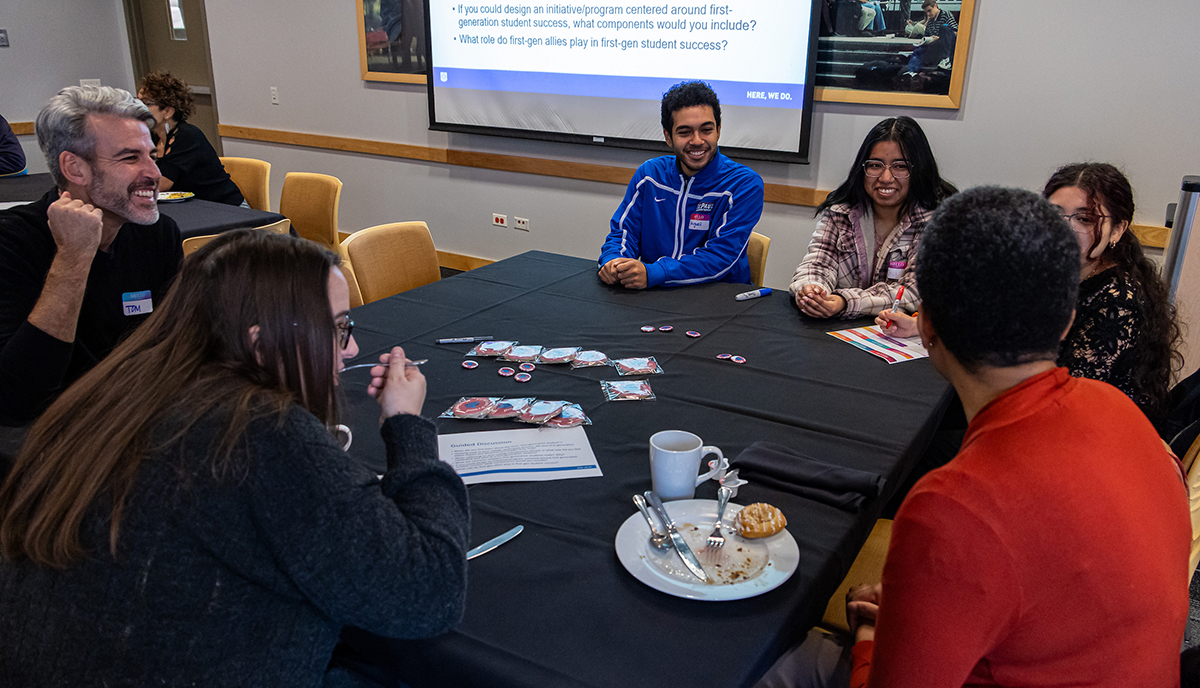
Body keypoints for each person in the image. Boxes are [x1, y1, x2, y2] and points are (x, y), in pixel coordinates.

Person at [756, 187, 1191, 688]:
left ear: (928, 328)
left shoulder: (953, 508)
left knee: (764, 660)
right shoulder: (1124, 412)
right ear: (1067, 319)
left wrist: (872, 634)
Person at [0, 229, 470, 686]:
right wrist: (407, 426)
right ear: (259, 341)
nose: (350, 348)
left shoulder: (111, 392)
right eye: (339, 328)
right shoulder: (256, 435)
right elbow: (428, 594)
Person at [0, 86, 183, 426]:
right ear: (74, 168)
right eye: (130, 158)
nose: (154, 174)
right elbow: (15, 400)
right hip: (48, 437)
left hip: (137, 420)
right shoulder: (12, 242)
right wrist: (73, 256)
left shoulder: (157, 234)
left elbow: (173, 349)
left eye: (152, 157)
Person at [1044, 162, 1183, 429]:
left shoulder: (1119, 302)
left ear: (1118, 229)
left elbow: (1064, 404)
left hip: (1089, 442)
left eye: (1084, 219)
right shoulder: (1064, 275)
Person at [598, 81, 764, 289]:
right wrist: (614, 262)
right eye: (685, 132)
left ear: (718, 131)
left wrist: (655, 272)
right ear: (668, 136)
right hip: (655, 293)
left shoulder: (744, 184)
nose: (697, 141)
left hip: (717, 300)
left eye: (706, 130)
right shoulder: (649, 175)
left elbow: (720, 258)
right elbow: (623, 233)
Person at [791, 116, 955, 319]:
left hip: (904, 338)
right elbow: (816, 265)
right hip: (839, 333)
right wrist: (812, 292)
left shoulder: (938, 222)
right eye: (875, 165)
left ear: (919, 170)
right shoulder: (841, 212)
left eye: (900, 166)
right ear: (863, 169)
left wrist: (845, 301)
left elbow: (914, 293)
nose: (886, 178)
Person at [137, 70, 245, 206]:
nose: (137, 108)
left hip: (227, 208)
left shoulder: (187, 136)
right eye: (137, 101)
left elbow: (161, 185)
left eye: (145, 103)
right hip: (191, 207)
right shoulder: (151, 136)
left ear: (168, 111)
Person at [903, 0, 957, 76]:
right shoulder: (930, 21)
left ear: (935, 6)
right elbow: (926, 35)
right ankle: (912, 72)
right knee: (918, 51)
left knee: (944, 28)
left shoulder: (945, 14)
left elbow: (955, 32)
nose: (928, 14)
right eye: (926, 12)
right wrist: (924, 40)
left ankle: (946, 59)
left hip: (945, 43)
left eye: (929, 11)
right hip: (933, 45)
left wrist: (938, 38)